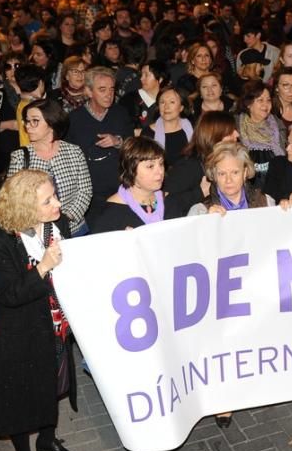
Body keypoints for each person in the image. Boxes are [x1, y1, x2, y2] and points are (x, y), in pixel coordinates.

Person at [0, 170, 79, 451]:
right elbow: (9, 294)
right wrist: (43, 268)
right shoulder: (0, 241)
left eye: (55, 195)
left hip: (55, 326)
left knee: (51, 386)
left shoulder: (59, 225)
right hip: (20, 333)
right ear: (25, 207)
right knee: (21, 395)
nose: (57, 204)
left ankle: (48, 440)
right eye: (47, 200)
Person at [186, 141, 278, 427]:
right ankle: (222, 402)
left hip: (255, 284)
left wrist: (291, 206)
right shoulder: (200, 210)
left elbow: (283, 235)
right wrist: (204, 229)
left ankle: (255, 386)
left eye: (235, 173)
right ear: (212, 174)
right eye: (222, 173)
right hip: (219, 291)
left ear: (246, 172)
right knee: (221, 347)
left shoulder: (265, 202)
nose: (228, 180)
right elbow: (189, 255)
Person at [7, 98, 93, 236]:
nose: (28, 126)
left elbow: (85, 191)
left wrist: (66, 219)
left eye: (35, 121)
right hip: (38, 234)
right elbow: (14, 201)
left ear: (51, 122)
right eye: (27, 121)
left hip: (75, 230)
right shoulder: (20, 157)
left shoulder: (74, 152)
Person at [67, 66, 133, 208]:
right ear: (89, 91)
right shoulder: (74, 119)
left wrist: (117, 141)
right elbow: (69, 156)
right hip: (90, 193)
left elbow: (134, 145)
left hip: (121, 188)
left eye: (112, 89)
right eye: (102, 90)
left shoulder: (120, 113)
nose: (109, 95)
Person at [88, 136, 184, 234]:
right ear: (131, 170)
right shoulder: (112, 213)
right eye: (150, 166)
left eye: (161, 164)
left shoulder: (170, 202)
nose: (160, 171)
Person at [163, 110, 240, 211]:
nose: (237, 134)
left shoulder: (225, 161)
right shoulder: (189, 165)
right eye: (231, 131)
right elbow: (165, 205)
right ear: (214, 135)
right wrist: (200, 192)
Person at [236, 80, 287, 190]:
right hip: (245, 186)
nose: (266, 105)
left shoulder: (278, 124)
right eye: (260, 100)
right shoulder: (235, 126)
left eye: (268, 100)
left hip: (276, 183)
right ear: (248, 104)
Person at [141, 86, 193, 168]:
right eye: (162, 102)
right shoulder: (148, 133)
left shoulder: (193, 129)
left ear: (181, 107)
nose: (166, 107)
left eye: (172, 102)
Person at [120, 59, 165, 132]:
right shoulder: (129, 100)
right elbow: (126, 132)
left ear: (160, 79)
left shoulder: (167, 99)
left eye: (146, 75)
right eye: (141, 75)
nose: (141, 79)